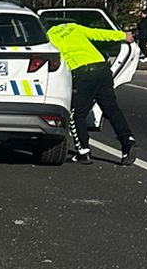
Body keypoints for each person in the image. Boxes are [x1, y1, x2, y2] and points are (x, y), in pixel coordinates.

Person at [46, 15, 135, 163]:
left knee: (76, 114)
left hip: (83, 72)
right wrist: (122, 36)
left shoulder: (49, 36)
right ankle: (128, 142)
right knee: (111, 109)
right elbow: (98, 33)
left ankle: (83, 151)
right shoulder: (74, 28)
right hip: (102, 67)